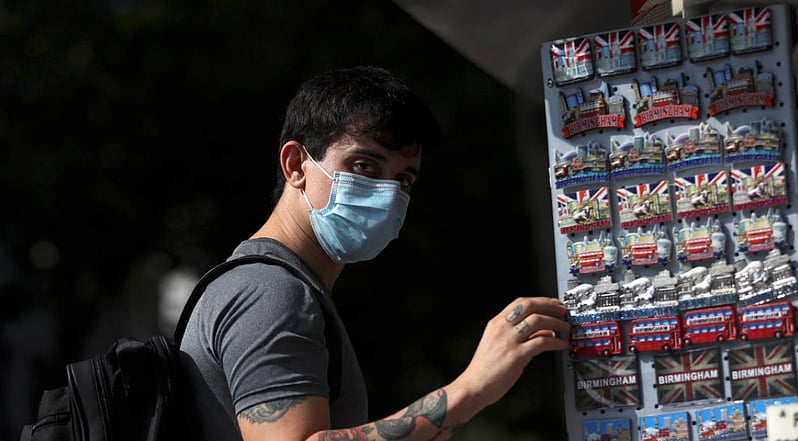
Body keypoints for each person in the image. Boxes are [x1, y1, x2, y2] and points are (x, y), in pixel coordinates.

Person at [178, 65, 571, 441]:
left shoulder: (276, 285)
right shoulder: (271, 292)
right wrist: (472, 388)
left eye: (404, 178)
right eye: (363, 165)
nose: (387, 194)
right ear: (296, 164)